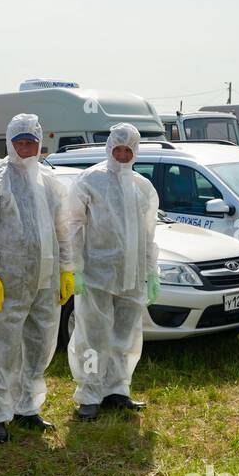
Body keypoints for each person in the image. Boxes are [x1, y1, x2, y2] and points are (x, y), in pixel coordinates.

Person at [0, 114, 74, 442]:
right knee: (0, 349)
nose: (26, 148)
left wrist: (67, 269)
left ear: (40, 143)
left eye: (31, 142)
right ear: (10, 142)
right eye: (20, 142)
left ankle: (27, 407)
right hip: (8, 280)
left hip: (45, 280)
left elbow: (63, 229)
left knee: (40, 344)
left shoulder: (52, 182)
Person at [64, 122, 160, 421]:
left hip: (131, 277)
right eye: (117, 149)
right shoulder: (90, 180)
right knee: (92, 338)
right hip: (96, 275)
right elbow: (73, 227)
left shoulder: (142, 187)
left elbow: (148, 234)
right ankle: (90, 393)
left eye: (127, 150)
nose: (121, 154)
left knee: (125, 336)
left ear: (135, 152)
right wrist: (75, 268)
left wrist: (151, 272)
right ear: (108, 149)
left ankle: (118, 389)